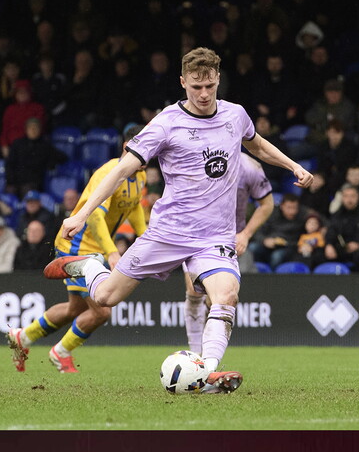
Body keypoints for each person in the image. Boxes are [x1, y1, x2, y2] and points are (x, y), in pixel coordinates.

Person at [40, 47, 312, 394]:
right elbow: (122, 170)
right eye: (196, 86)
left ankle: (207, 373)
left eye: (210, 86)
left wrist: (292, 166)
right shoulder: (166, 123)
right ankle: (89, 266)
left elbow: (256, 145)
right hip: (168, 232)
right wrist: (81, 213)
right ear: (183, 82)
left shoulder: (235, 115)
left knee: (226, 296)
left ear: (218, 79)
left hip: (215, 237)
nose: (204, 94)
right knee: (106, 298)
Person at [6, 125, 148, 372]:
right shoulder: (110, 173)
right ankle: (61, 351)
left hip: (92, 248)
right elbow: (94, 216)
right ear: (127, 147)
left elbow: (133, 206)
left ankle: (23, 337)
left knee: (76, 308)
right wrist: (112, 252)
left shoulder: (140, 176)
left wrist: (146, 238)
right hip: (77, 246)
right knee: (102, 312)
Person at [183, 152, 274, 353]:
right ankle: (195, 354)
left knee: (220, 298)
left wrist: (245, 234)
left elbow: (267, 204)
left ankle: (209, 356)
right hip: (195, 234)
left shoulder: (250, 167)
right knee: (193, 290)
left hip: (228, 240)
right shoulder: (196, 157)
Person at [5, 117, 69, 198]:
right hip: (16, 180)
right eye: (31, 128)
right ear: (26, 130)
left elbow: (62, 157)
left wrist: (50, 163)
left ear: (40, 130)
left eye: (35, 128)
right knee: (9, 193)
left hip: (34, 182)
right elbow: (10, 164)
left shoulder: (45, 145)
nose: (33, 130)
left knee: (28, 191)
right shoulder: (17, 144)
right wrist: (11, 180)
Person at [249, 193, 306, 269]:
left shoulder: (302, 216)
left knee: (276, 256)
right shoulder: (272, 213)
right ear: (282, 206)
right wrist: (264, 240)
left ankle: (272, 275)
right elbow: (257, 231)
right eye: (289, 208)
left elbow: (302, 238)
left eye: (294, 208)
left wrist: (286, 243)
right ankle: (256, 271)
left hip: (288, 247)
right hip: (268, 244)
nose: (292, 211)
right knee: (253, 247)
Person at [0, 79, 48, 158]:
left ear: (29, 93)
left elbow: (36, 130)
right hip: (10, 147)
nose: (22, 94)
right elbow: (5, 130)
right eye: (19, 92)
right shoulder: (10, 109)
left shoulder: (38, 108)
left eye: (25, 92)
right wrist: (4, 146)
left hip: (29, 146)